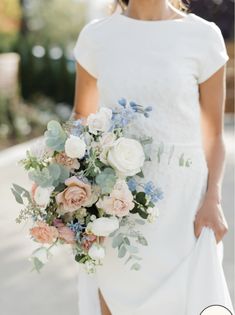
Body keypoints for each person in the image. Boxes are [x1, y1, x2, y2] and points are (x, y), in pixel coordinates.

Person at [72, 1, 234, 314]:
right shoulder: (96, 37)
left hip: (185, 214)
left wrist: (213, 199)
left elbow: (213, 134)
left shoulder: (203, 37)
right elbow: (82, 116)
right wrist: (69, 187)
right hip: (115, 215)